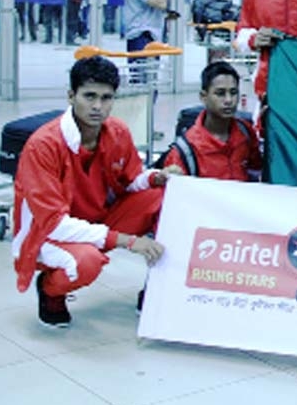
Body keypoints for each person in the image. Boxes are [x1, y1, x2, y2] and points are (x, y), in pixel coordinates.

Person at [11, 56, 177, 327]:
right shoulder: (42, 145)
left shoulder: (117, 132)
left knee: (160, 198)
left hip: (95, 220)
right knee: (85, 263)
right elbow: (53, 224)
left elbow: (132, 179)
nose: (98, 106)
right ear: (71, 95)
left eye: (106, 97)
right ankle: (51, 289)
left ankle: (157, 286)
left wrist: (157, 177)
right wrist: (129, 241)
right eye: (89, 96)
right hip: (49, 233)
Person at [163, 61, 261, 181]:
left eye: (233, 92)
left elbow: (257, 170)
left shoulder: (246, 133)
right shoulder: (185, 151)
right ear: (203, 97)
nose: (229, 100)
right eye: (220, 93)